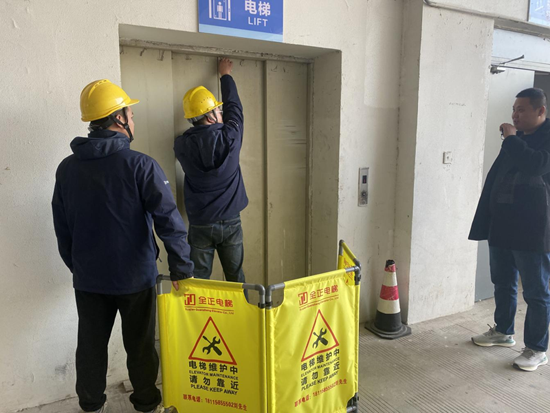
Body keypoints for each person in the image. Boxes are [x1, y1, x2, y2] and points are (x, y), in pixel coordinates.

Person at [52, 79, 194, 412]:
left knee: (90, 347)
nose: (133, 119)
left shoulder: (67, 168)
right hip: (135, 279)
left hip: (89, 280)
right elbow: (169, 221)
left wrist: (79, 266)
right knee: (141, 347)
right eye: (130, 114)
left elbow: (62, 227)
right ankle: (146, 404)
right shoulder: (140, 165)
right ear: (119, 119)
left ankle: (90, 405)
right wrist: (181, 269)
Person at [470, 87, 550, 372]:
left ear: (541, 111)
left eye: (522, 109)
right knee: (502, 282)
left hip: (533, 229)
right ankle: (503, 331)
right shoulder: (519, 139)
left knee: (536, 292)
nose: (515, 115)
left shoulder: (533, 139)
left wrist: (512, 139)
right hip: (503, 225)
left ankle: (537, 349)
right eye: (514, 109)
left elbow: (535, 166)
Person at [174, 58, 248, 284]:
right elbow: (235, 108)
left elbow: (229, 113)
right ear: (210, 116)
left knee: (200, 282)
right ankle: (241, 308)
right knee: (236, 278)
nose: (222, 113)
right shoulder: (231, 136)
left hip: (200, 224)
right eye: (218, 110)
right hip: (231, 221)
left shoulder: (182, 145)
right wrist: (225, 75)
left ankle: (202, 309)